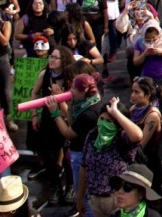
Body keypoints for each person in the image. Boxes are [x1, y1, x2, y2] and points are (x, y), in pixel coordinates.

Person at [77, 98, 144, 217]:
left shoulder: (123, 138)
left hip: (116, 199)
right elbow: (84, 167)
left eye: (109, 121)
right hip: (94, 199)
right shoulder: (93, 136)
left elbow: (138, 135)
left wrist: (116, 112)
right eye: (101, 119)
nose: (103, 123)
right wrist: (79, 197)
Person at [47, 73, 102, 217]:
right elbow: (73, 123)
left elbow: (68, 132)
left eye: (73, 88)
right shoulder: (91, 103)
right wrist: (66, 104)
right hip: (88, 153)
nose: (70, 90)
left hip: (82, 154)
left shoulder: (88, 114)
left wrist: (55, 114)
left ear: (83, 91)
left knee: (85, 196)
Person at [29, 46, 74, 207]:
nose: (51, 60)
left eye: (55, 58)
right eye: (51, 57)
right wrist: (35, 116)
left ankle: (70, 186)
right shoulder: (44, 74)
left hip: (66, 118)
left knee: (69, 157)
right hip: (48, 119)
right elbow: (34, 93)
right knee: (48, 155)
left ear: (65, 61)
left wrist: (60, 98)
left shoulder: (71, 76)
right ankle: (55, 186)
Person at [127, 76, 162, 217]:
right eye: (132, 91)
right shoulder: (133, 109)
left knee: (153, 199)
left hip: (149, 163)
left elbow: (140, 143)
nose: (133, 95)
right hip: (135, 161)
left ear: (148, 94)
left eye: (137, 92)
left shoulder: (153, 115)